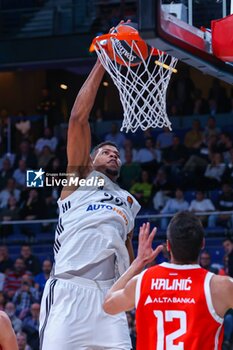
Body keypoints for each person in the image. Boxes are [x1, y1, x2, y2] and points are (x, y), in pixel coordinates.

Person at [39, 56, 141, 350]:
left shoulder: (128, 202)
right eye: (106, 151)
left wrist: (140, 266)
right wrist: (104, 61)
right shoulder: (78, 178)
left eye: (117, 154)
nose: (113, 155)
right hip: (69, 291)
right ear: (91, 159)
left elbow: (127, 260)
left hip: (108, 297)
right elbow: (77, 119)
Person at [103, 212, 233, 349]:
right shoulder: (219, 286)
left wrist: (137, 263)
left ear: (168, 246)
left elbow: (108, 305)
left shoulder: (142, 281)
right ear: (202, 244)